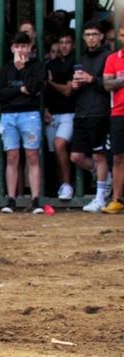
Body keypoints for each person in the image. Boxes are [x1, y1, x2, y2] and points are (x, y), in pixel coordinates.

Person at [0, 32, 46, 214]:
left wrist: (23, 70)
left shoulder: (37, 66)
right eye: (17, 46)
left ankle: (35, 199)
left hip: (30, 115)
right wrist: (20, 89)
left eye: (24, 46)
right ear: (12, 48)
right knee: (12, 157)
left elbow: (35, 88)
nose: (21, 50)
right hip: (9, 116)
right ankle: (11, 199)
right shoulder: (5, 69)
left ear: (30, 48)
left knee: (32, 156)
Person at [71, 21, 113, 213]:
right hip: (81, 112)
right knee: (76, 156)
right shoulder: (82, 58)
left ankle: (100, 198)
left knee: (99, 155)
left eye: (94, 34)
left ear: (101, 36)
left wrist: (92, 79)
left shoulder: (108, 57)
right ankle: (107, 179)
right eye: (87, 34)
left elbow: (110, 85)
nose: (90, 38)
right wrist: (75, 85)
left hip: (100, 111)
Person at [44, 31, 76, 201]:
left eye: (68, 42)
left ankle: (67, 185)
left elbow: (68, 91)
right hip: (51, 115)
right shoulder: (50, 64)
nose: (64, 45)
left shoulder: (76, 63)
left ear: (74, 44)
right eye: (61, 41)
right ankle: (60, 186)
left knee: (59, 145)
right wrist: (44, 109)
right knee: (54, 152)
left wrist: (51, 82)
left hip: (69, 113)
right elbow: (43, 92)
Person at [100, 25, 124, 214]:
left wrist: (118, 80)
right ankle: (116, 199)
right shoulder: (112, 59)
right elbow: (107, 84)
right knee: (117, 157)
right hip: (118, 113)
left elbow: (111, 81)